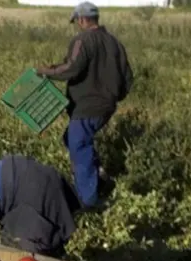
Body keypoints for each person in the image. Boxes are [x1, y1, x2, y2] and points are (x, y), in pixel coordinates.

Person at [35, 2, 133, 209]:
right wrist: (113, 96)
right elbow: (128, 77)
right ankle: (99, 175)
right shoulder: (114, 42)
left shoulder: (83, 40)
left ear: (81, 19)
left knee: (79, 146)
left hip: (87, 106)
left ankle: (89, 201)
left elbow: (71, 68)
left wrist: (46, 71)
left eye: (77, 21)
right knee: (71, 138)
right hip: (106, 105)